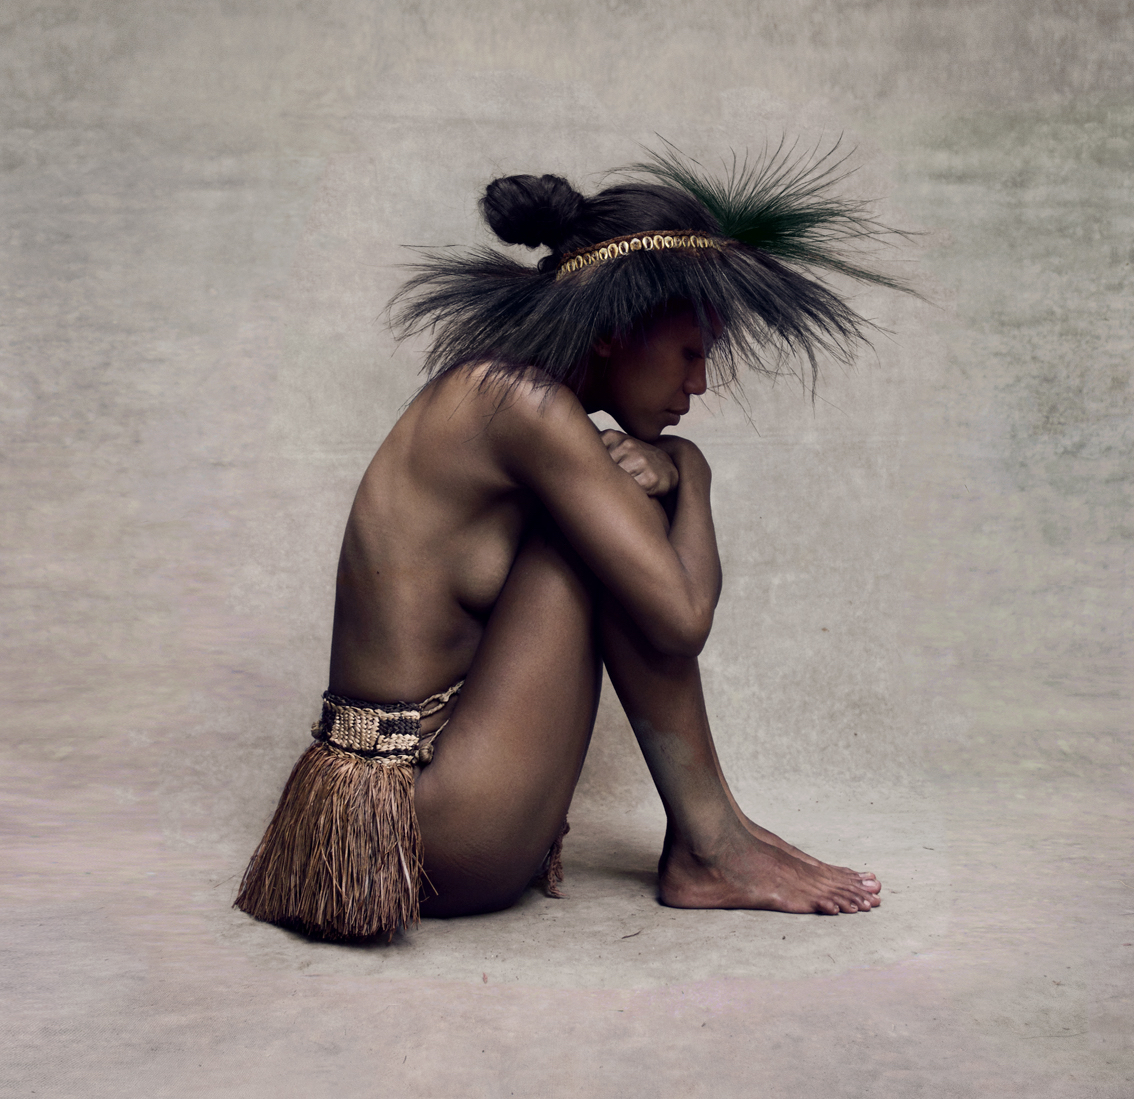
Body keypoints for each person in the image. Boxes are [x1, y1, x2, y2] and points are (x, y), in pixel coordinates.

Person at [235, 144, 912, 940]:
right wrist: (689, 473)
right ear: (612, 332)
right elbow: (681, 615)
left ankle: (718, 832)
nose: (698, 385)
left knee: (611, 509)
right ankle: (711, 844)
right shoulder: (524, 407)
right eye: (691, 353)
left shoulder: (500, 394)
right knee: (620, 519)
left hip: (392, 814)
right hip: (430, 831)